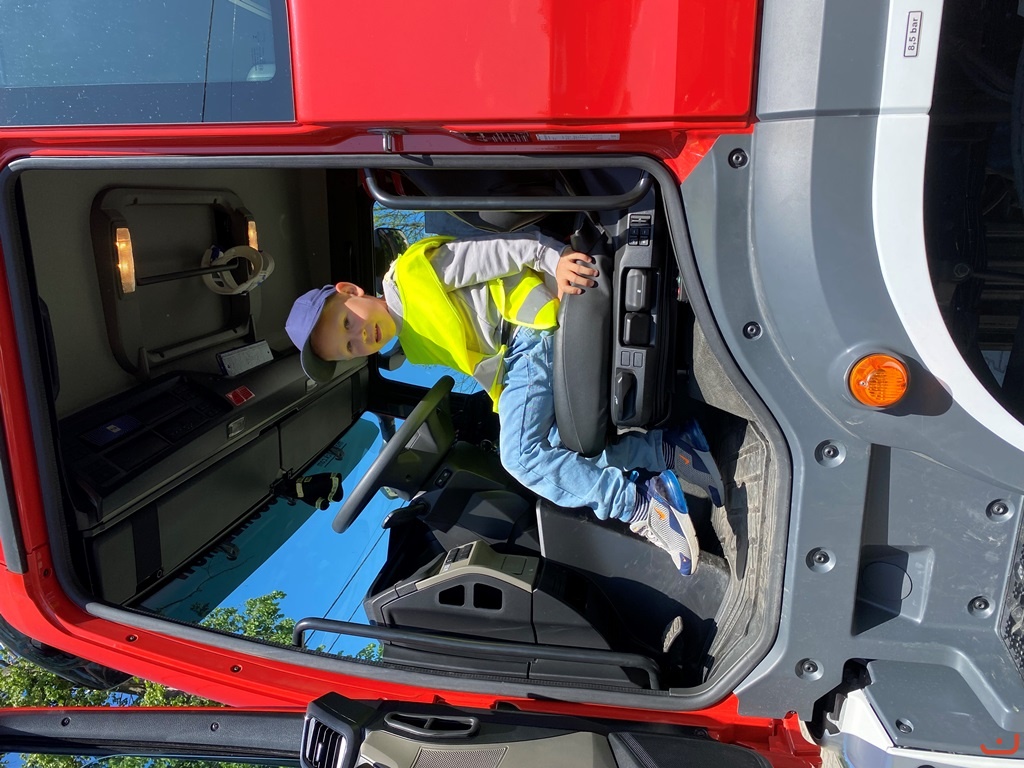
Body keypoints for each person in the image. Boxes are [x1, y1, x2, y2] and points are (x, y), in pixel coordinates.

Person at [285, 233, 725, 575]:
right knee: (556, 453)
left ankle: (642, 506)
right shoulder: (408, 343)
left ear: (350, 289)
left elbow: (497, 253)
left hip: (524, 333)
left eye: (348, 321)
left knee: (520, 456)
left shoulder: (412, 275)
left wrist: (553, 259)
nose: (359, 337)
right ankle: (668, 449)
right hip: (516, 356)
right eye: (348, 347)